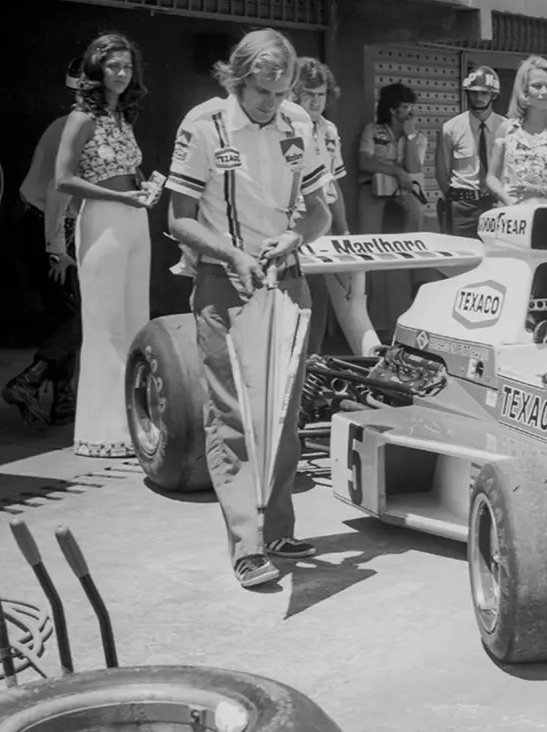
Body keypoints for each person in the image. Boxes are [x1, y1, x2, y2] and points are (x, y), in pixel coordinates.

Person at [164, 28, 332, 589]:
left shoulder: (299, 125)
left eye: (282, 92)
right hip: (222, 282)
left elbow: (319, 213)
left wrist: (295, 237)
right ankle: (246, 544)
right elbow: (178, 218)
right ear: (237, 78)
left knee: (283, 410)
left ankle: (278, 526)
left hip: (287, 282)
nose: (273, 103)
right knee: (233, 414)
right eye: (263, 91)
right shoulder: (203, 124)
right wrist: (233, 253)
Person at [54, 32, 155, 458]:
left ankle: (134, 423)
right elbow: (62, 179)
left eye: (127, 66)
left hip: (134, 219)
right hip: (102, 221)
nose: (120, 73)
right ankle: (101, 431)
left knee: (136, 322)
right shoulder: (81, 118)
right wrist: (117, 196)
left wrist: (143, 190)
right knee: (105, 326)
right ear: (97, 69)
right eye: (113, 66)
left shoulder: (123, 118)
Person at [3, 58, 85, 429]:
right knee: (76, 318)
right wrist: (58, 250)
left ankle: (63, 402)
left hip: (38, 224)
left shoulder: (65, 124)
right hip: (50, 228)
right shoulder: (77, 128)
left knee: (64, 316)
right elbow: (58, 190)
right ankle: (30, 380)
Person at [357, 82, 431, 340]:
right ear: (392, 108)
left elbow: (413, 167)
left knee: (407, 250)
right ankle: (373, 323)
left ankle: (406, 307)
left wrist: (408, 137)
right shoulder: (373, 130)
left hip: (404, 197)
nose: (411, 111)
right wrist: (395, 170)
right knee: (372, 254)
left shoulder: (418, 137)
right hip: (374, 194)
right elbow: (364, 160)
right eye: (405, 107)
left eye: (412, 106)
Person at [291, 56, 349, 355]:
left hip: (321, 223)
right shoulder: (285, 126)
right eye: (309, 94)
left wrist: (345, 229)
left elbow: (333, 185)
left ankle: (311, 364)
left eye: (321, 94)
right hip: (291, 223)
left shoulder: (330, 131)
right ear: (295, 94)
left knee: (319, 298)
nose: (315, 101)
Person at [484, 56, 547, 208]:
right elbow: (491, 177)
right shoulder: (506, 129)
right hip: (510, 214)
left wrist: (538, 191)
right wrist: (506, 199)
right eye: (537, 86)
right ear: (524, 91)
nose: (544, 92)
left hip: (546, 214)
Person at [436, 66, 506, 237]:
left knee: (496, 257)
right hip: (462, 207)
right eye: (474, 92)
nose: (478, 98)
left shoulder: (507, 128)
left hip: (497, 205)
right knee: (463, 257)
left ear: (494, 95)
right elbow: (441, 173)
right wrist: (458, 199)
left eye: (484, 93)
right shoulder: (450, 129)